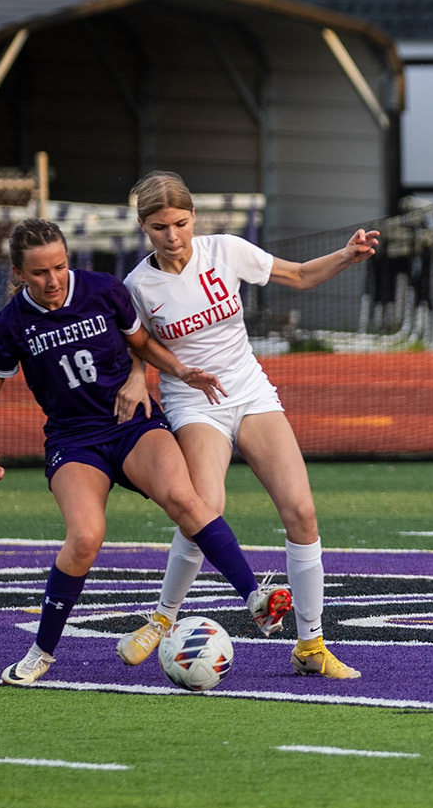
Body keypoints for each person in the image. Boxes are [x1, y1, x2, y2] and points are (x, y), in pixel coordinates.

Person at [0, 219, 293, 686]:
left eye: (59, 266)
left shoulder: (102, 289)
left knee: (186, 499)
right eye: (39, 272)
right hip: (73, 440)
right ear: (18, 273)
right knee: (85, 537)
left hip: (132, 423)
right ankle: (41, 652)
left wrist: (181, 371)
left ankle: (254, 599)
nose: (53, 279)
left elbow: (141, 343)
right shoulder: (10, 323)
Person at [114, 171, 379, 680]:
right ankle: (161, 619)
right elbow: (137, 344)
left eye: (181, 223)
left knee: (302, 511)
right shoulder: (137, 286)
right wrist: (133, 378)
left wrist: (347, 255)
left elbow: (299, 276)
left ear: (194, 217)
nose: (173, 236)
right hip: (193, 403)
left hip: (251, 390)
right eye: (159, 227)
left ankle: (311, 645)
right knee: (205, 508)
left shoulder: (226, 251)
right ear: (143, 227)